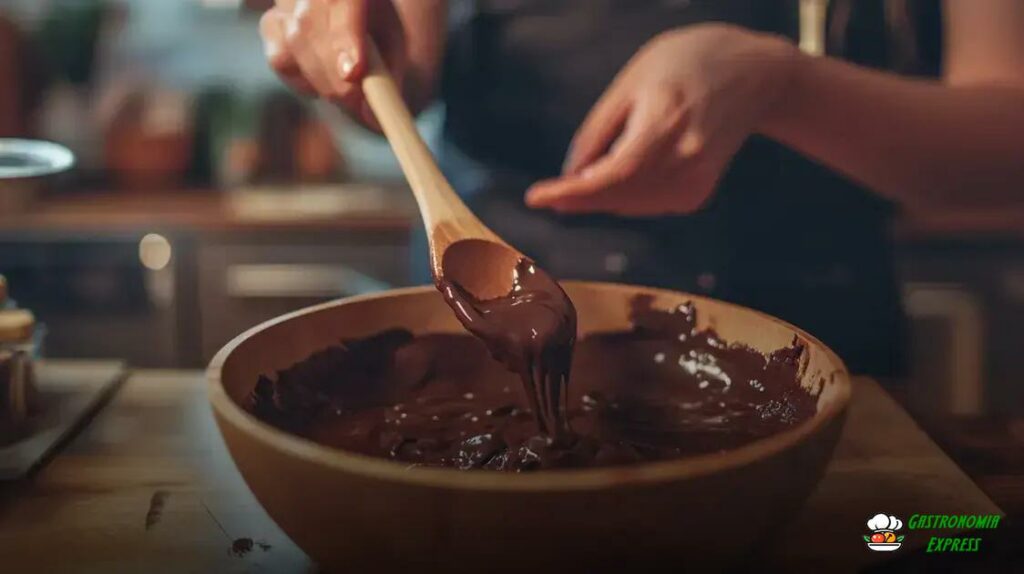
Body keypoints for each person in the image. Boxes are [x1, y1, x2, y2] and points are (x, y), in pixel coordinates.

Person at [259, 0, 1024, 376]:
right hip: (484, 335)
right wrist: (347, 51)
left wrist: (781, 86)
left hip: (824, 355)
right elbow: (403, 71)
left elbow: (1006, 149)